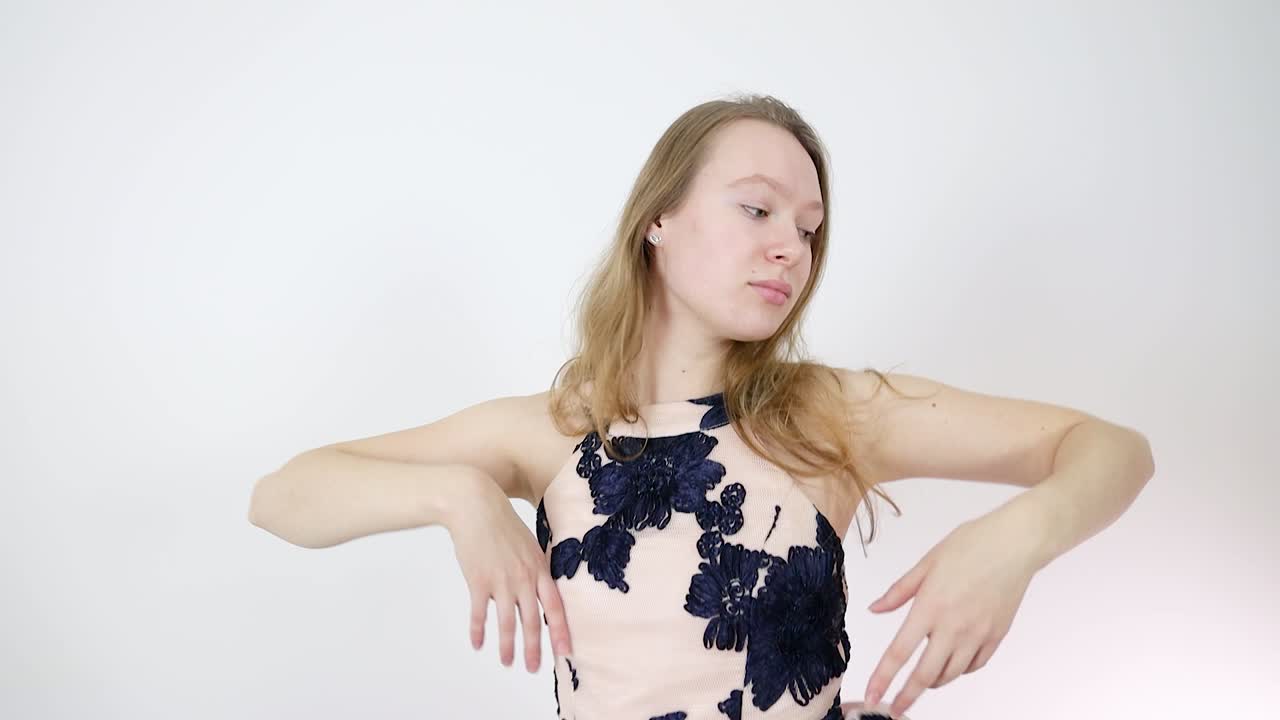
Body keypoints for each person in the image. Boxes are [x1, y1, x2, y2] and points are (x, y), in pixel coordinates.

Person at [247, 93, 1155, 720]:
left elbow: (1110, 448)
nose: (791, 251)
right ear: (659, 219)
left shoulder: (831, 413)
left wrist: (1018, 539)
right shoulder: (551, 432)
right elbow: (283, 496)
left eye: (808, 229)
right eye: (757, 210)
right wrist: (458, 497)